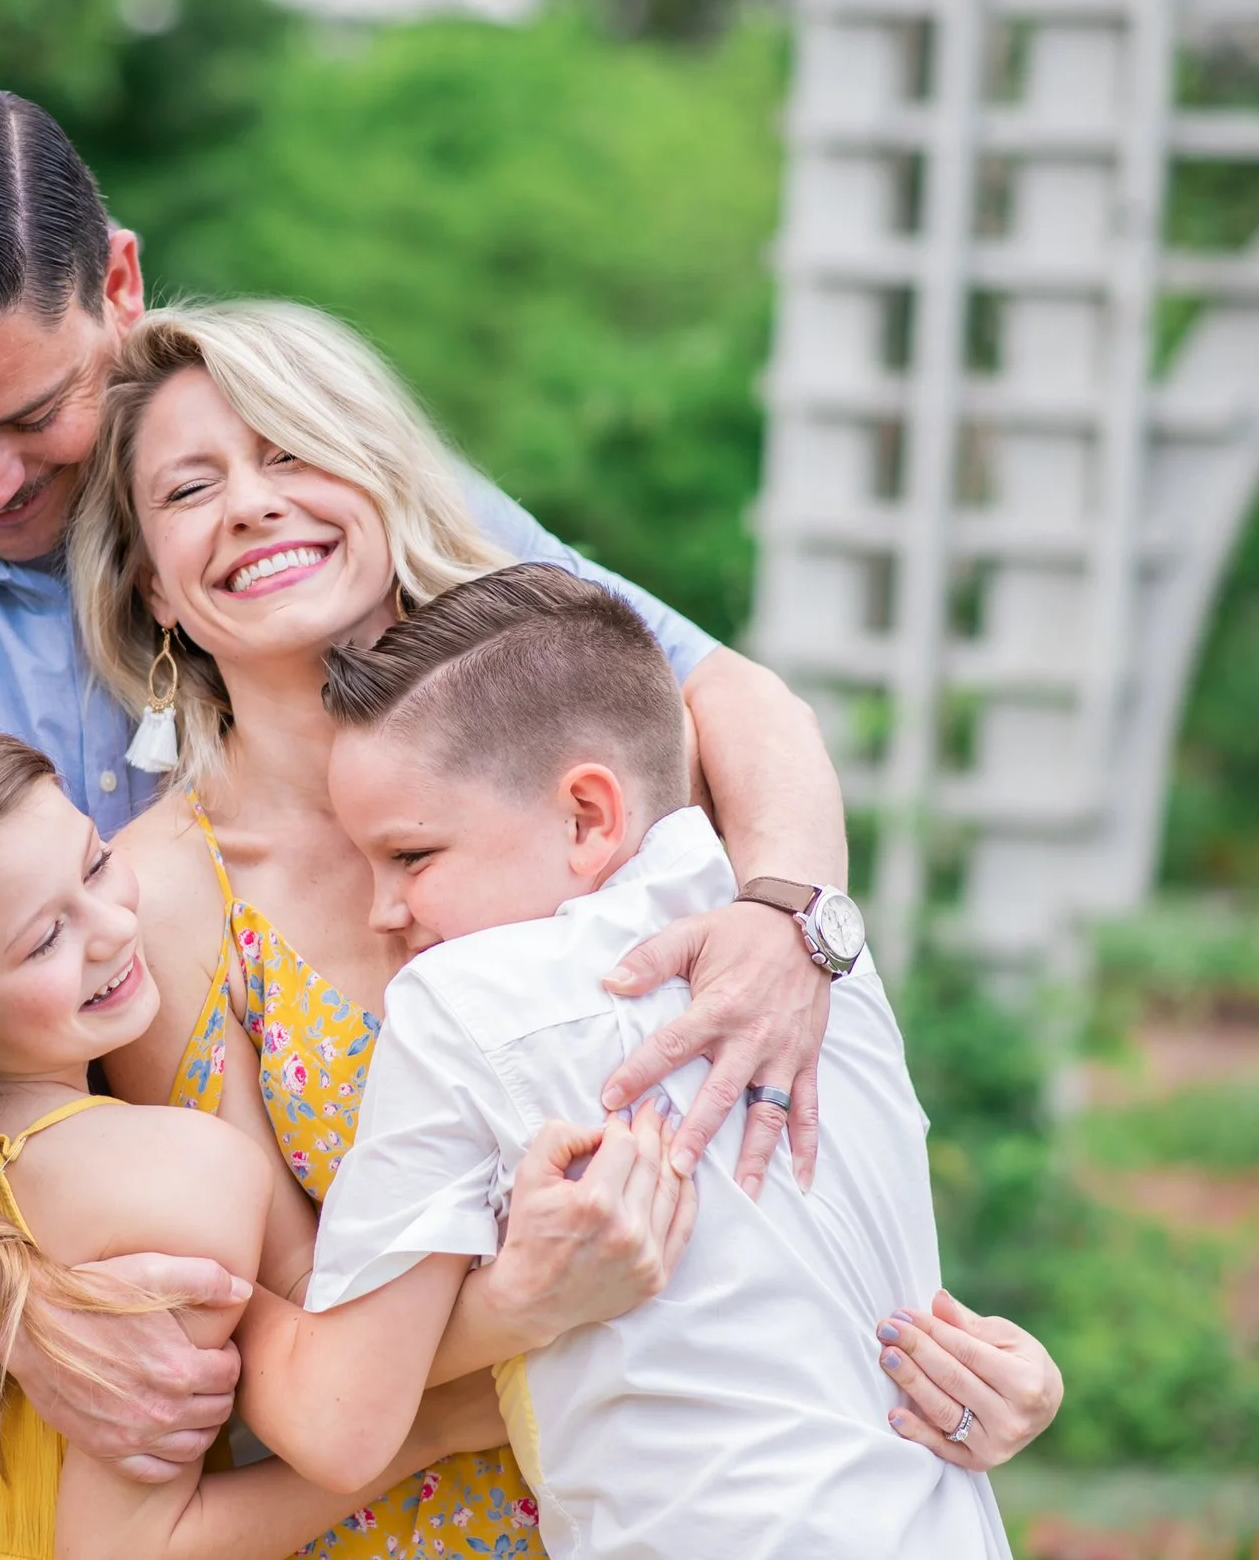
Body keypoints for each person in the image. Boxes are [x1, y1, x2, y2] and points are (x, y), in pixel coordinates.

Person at [0, 79, 857, 1559]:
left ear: (122, 284)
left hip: (281, 1469)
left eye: (33, 413)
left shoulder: (291, 477)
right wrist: (4, 1307)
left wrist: (793, 920)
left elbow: (722, 694)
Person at [69, 299, 1063, 1557]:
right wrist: (521, 1310)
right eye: (190, 489)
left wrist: (960, 1362)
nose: (253, 503)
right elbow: (275, 1329)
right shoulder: (162, 900)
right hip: (413, 1517)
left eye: (291, 449)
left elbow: (778, 1179)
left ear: (381, 479)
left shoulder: (591, 757)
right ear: (149, 586)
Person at [0, 720, 615, 1559]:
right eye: (43, 940)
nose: (115, 927)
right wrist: (432, 1430)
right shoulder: (170, 1178)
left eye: (96, 862)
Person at [237, 563, 1018, 1558]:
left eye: (412, 857)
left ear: (587, 817)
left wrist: (205, 1302)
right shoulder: (822, 953)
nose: (383, 912)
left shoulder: (465, 1001)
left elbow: (339, 1423)